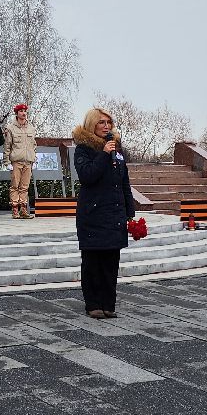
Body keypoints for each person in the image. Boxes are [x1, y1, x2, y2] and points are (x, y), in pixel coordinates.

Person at [72, 107, 135, 318]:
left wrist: (129, 211)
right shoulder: (83, 149)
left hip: (114, 213)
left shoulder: (117, 150)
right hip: (93, 214)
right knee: (92, 262)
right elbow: (88, 176)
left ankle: (109, 304)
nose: (106, 126)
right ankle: (93, 304)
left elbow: (124, 181)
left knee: (111, 261)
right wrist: (104, 154)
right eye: (101, 122)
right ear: (92, 125)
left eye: (109, 122)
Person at [3, 103, 38, 219]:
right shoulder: (10, 128)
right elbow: (7, 146)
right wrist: (7, 162)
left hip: (28, 161)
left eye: (25, 111)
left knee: (25, 187)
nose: (23, 113)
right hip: (16, 161)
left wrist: (34, 159)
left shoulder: (31, 128)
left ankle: (23, 209)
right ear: (17, 113)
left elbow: (33, 145)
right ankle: (15, 209)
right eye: (21, 111)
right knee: (15, 186)